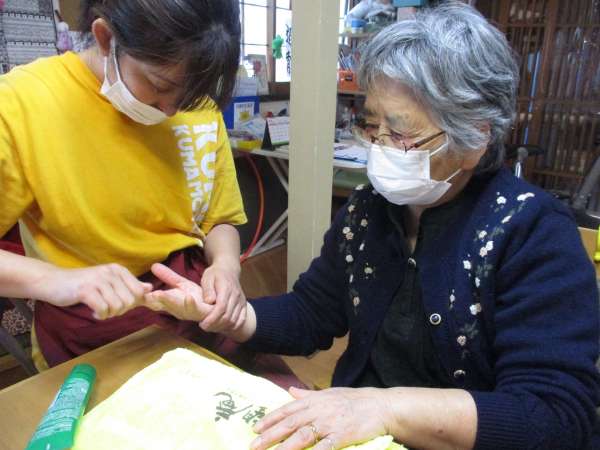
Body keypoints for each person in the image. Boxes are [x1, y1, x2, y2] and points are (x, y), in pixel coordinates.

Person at [148, 3, 600, 449]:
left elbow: (554, 416)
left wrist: (385, 408)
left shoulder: (533, 233)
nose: (379, 148)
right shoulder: (370, 210)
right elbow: (311, 313)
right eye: (371, 126)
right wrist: (227, 313)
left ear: (475, 140)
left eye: (400, 134)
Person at [0, 0, 254, 373]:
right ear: (106, 37)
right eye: (159, 86)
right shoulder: (21, 103)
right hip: (90, 325)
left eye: (188, 97)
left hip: (193, 309)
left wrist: (227, 267)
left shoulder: (194, 96)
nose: (172, 110)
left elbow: (220, 218)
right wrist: (58, 281)